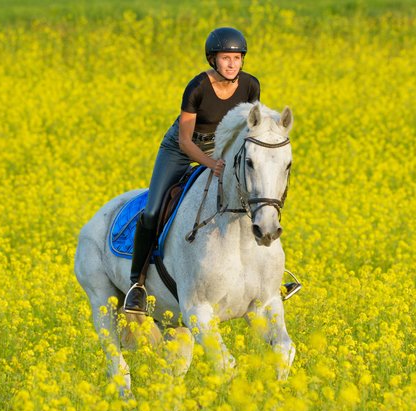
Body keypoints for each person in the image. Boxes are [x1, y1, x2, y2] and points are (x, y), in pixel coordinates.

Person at [124, 27, 301, 315]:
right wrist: (212, 164)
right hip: (182, 149)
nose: (232, 64)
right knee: (154, 210)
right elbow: (184, 139)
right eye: (225, 58)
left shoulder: (250, 85)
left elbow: (250, 127)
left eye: (237, 58)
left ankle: (270, 278)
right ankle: (138, 285)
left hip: (222, 149)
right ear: (212, 60)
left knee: (255, 199)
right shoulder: (197, 88)